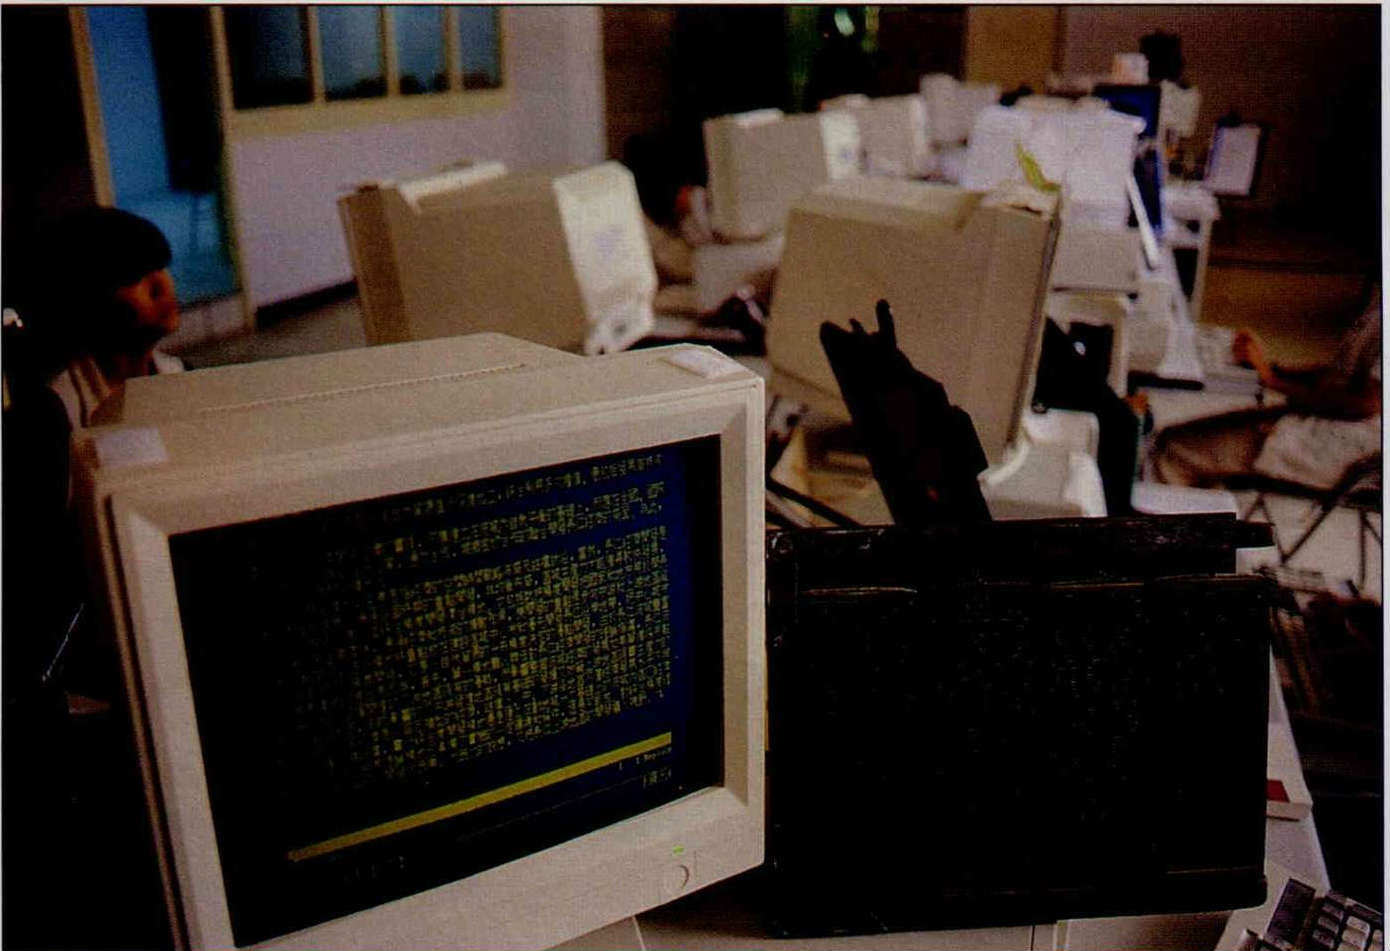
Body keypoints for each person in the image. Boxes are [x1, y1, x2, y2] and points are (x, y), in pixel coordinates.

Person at [1151, 286, 1381, 490]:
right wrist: (1271, 367)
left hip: (1332, 447)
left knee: (1174, 449)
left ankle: (1165, 516)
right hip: (1320, 421)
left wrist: (1272, 380)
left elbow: (1364, 404)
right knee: (1180, 436)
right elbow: (1343, 374)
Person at [21, 207, 183, 430]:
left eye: (162, 266)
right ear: (89, 297)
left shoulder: (180, 375)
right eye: (134, 277)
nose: (163, 286)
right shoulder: (55, 411)